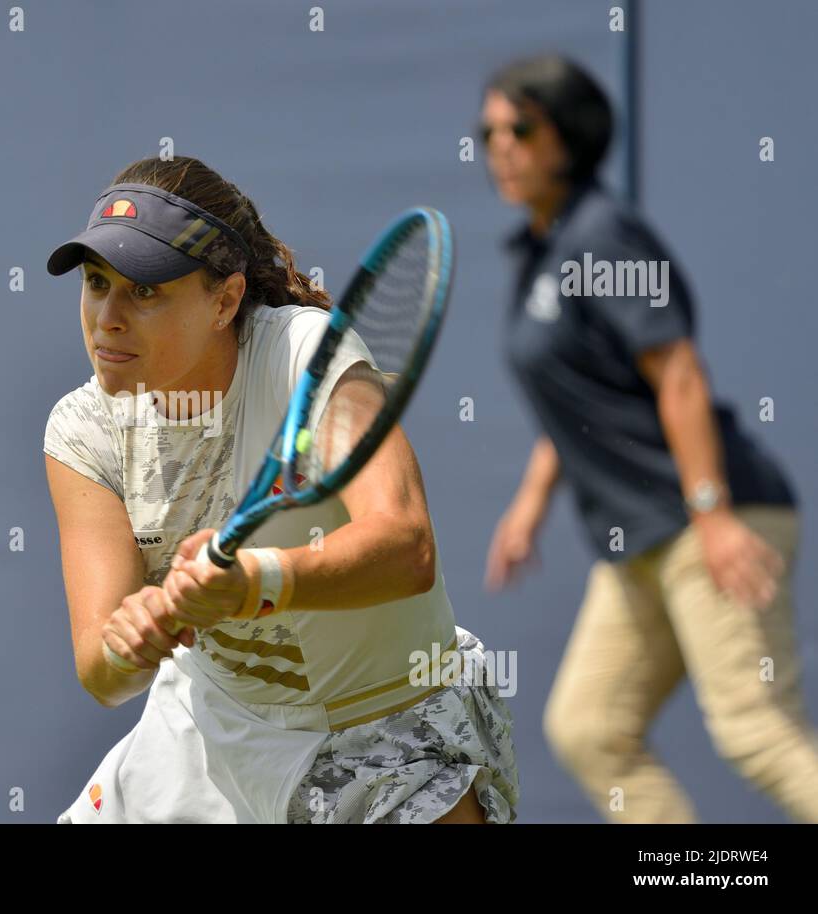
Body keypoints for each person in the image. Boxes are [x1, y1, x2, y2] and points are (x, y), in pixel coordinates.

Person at [42, 155, 518, 823]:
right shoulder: (83, 429)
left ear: (226, 300)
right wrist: (136, 637)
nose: (108, 318)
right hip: (207, 731)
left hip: (382, 725)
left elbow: (407, 544)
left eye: (145, 291)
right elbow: (101, 672)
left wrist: (257, 583)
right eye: (97, 283)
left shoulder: (306, 355)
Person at [480, 54, 818, 822]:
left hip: (706, 515)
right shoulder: (541, 250)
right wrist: (529, 507)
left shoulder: (602, 235)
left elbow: (679, 376)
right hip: (640, 541)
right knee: (591, 728)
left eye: (521, 128)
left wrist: (713, 512)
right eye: (489, 130)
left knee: (755, 731)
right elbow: (578, 406)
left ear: (568, 136)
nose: (500, 145)